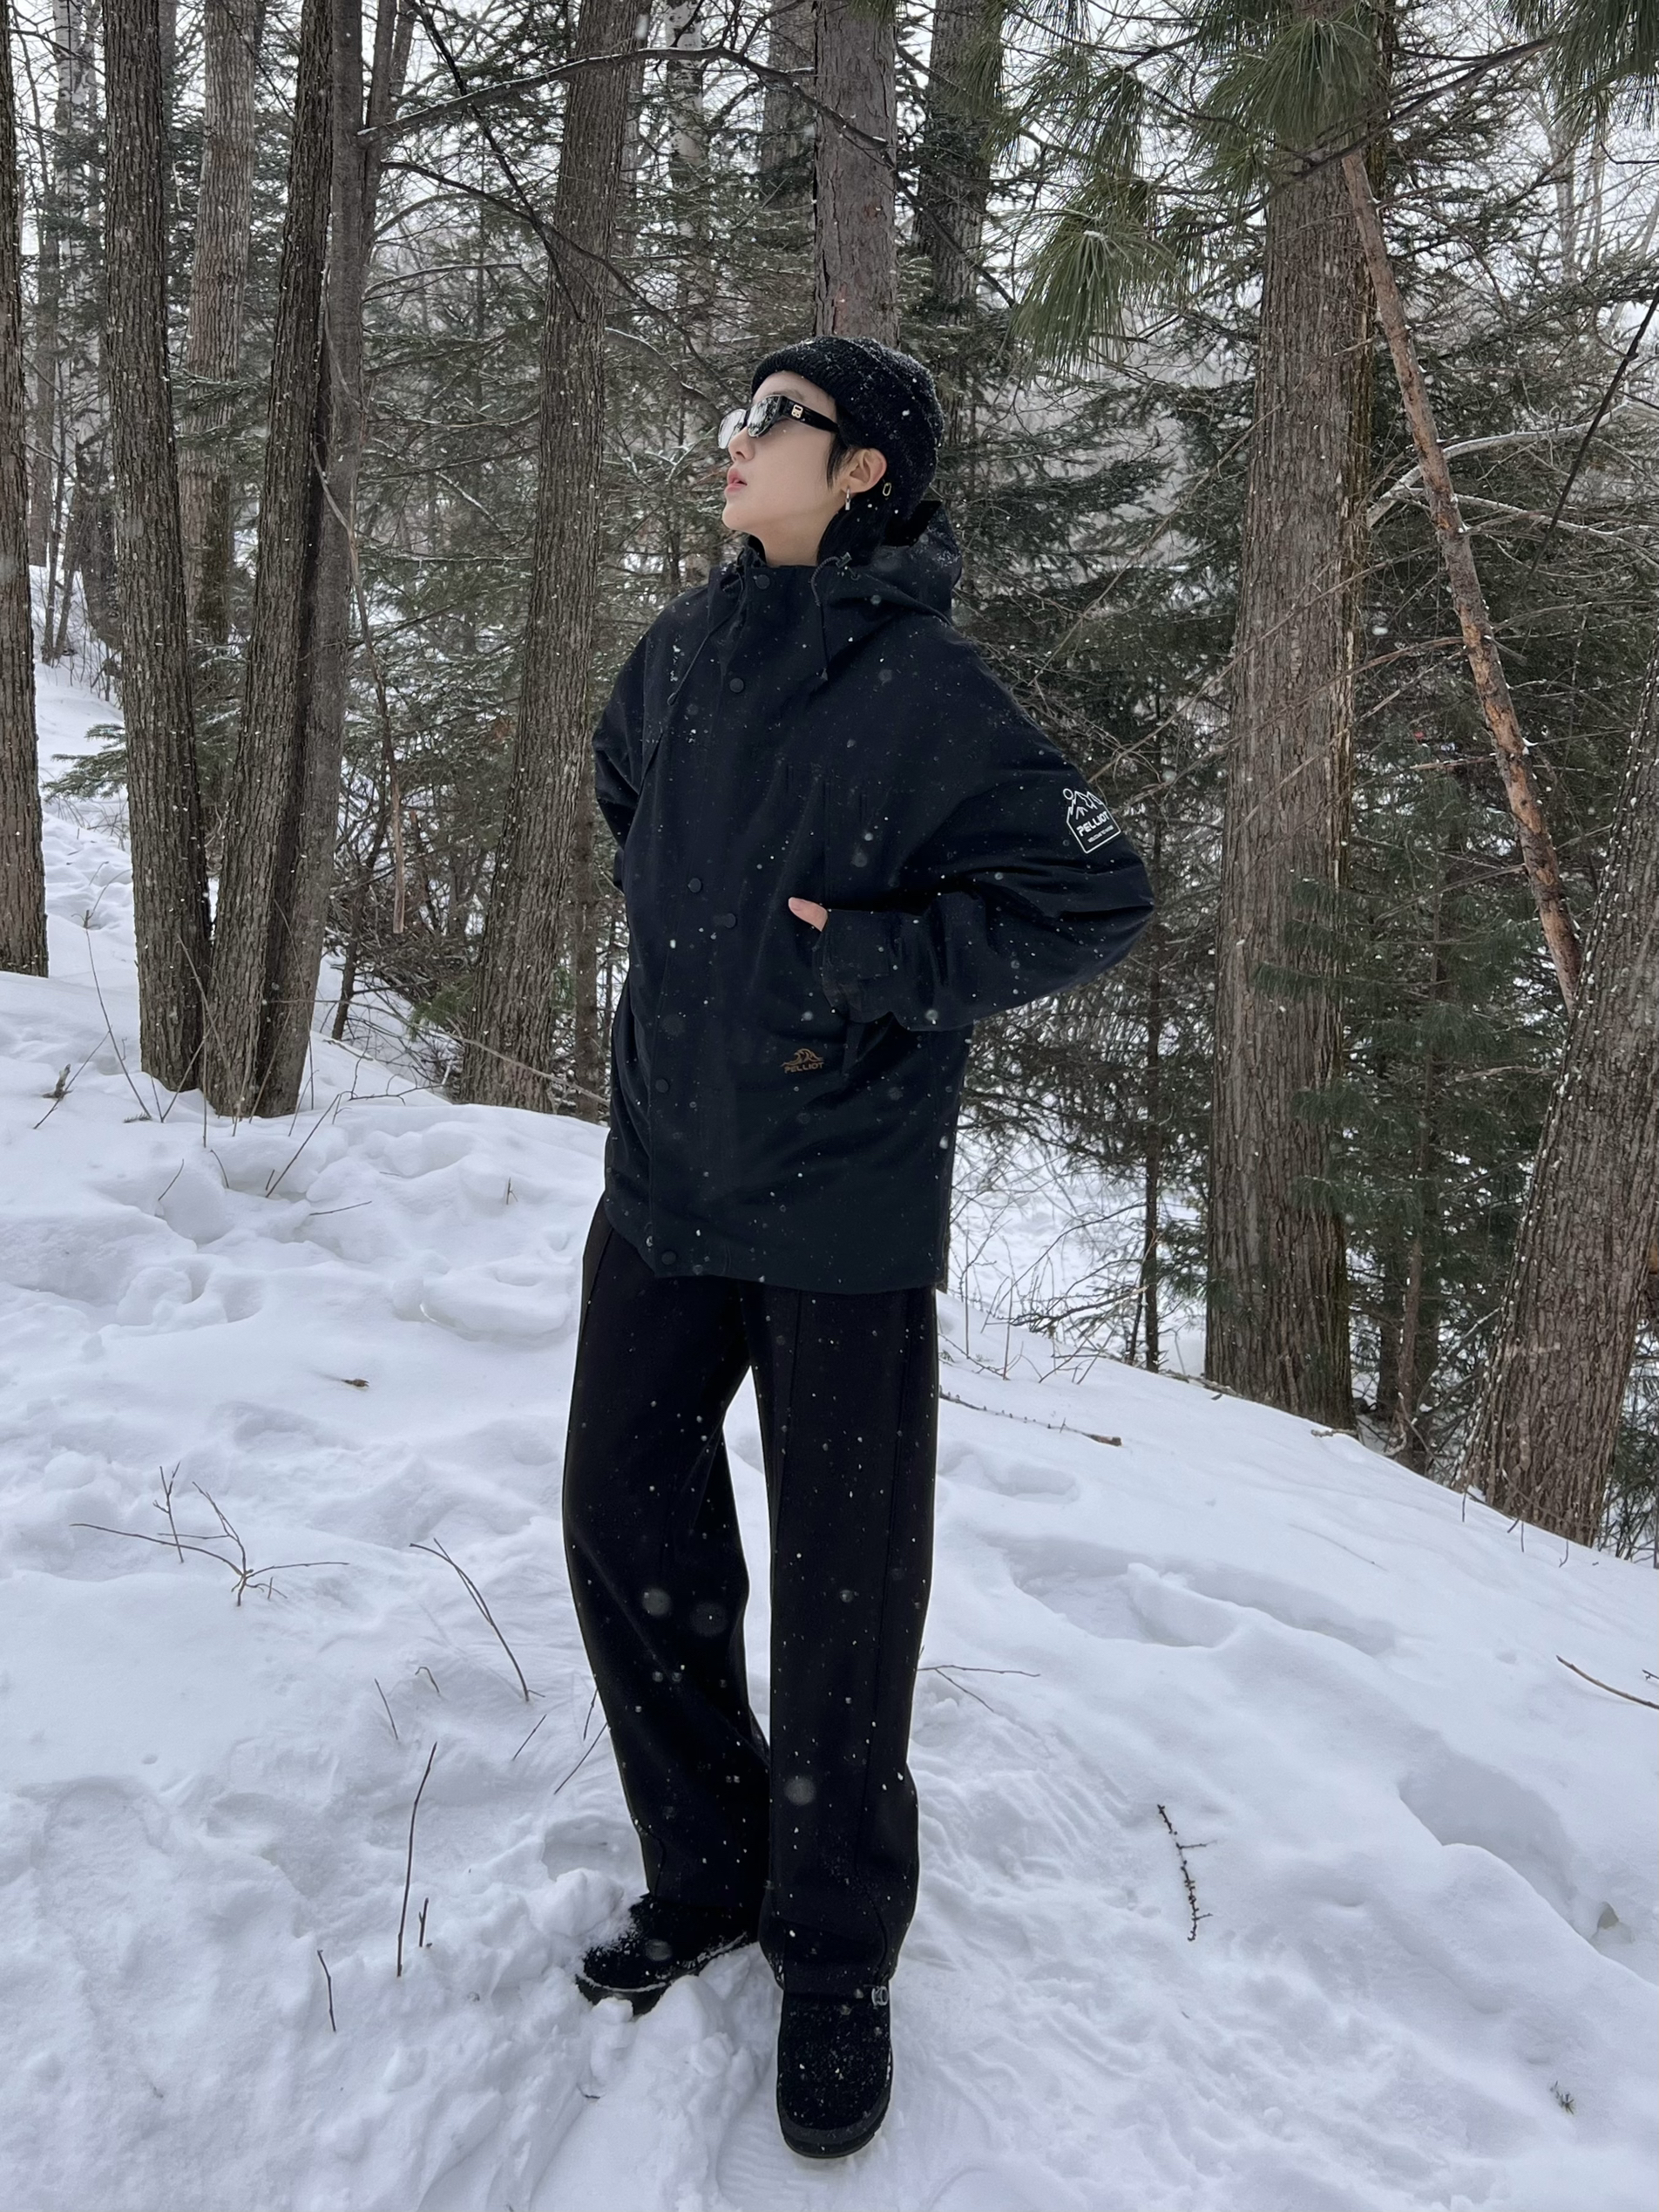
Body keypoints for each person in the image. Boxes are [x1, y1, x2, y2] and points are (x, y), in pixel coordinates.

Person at [561, 336, 1154, 2159]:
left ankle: (833, 1959)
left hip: (842, 1210)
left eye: (776, 420)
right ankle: (709, 1867)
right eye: (738, 413)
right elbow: (623, 794)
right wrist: (705, 970)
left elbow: (1096, 891)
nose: (735, 440)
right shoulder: (680, 648)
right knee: (622, 1522)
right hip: (663, 1186)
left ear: (865, 470)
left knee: (842, 1599)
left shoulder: (930, 690)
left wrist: (873, 968)